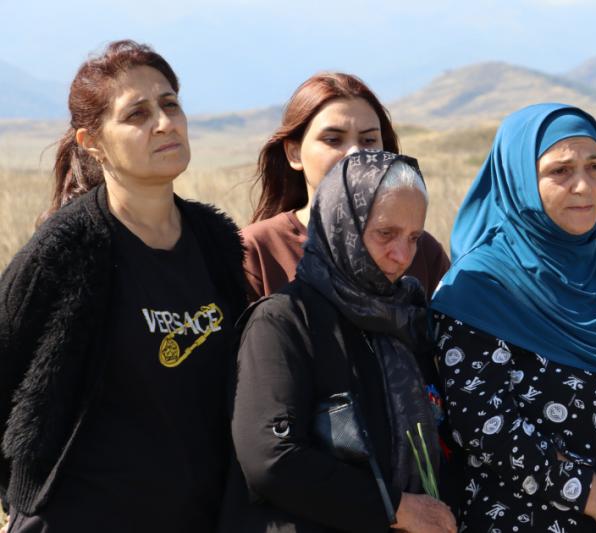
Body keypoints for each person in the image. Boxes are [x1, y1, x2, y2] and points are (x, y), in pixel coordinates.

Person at [0, 40, 247, 532]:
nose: (164, 123)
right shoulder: (66, 250)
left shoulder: (215, 240)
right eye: (137, 114)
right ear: (91, 141)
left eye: (170, 104)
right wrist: (22, 492)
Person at [430, 103, 596, 533]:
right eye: (560, 171)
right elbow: (485, 428)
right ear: (520, 179)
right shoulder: (478, 289)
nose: (583, 186)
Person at [221, 151, 456, 533]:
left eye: (414, 237)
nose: (402, 256)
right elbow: (272, 459)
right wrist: (395, 508)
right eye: (385, 233)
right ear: (340, 225)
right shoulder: (284, 321)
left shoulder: (408, 319)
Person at [241, 72, 449, 301]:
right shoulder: (256, 251)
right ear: (294, 153)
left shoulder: (423, 252)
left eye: (368, 140)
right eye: (333, 140)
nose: (354, 153)